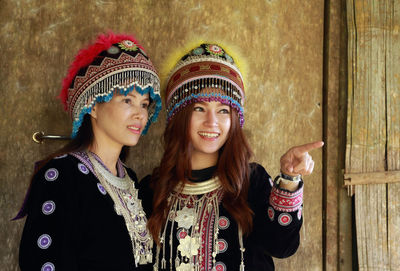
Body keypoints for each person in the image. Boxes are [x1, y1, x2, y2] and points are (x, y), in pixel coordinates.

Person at [141, 43, 324, 271]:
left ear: (234, 121)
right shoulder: (152, 190)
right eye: (199, 108)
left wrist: (289, 179)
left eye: (223, 110)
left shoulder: (250, 181)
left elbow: (282, 246)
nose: (212, 122)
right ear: (179, 115)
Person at [17, 32, 162, 271]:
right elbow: (42, 262)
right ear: (93, 106)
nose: (140, 114)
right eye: (128, 100)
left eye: (144, 104)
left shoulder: (130, 180)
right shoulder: (62, 176)